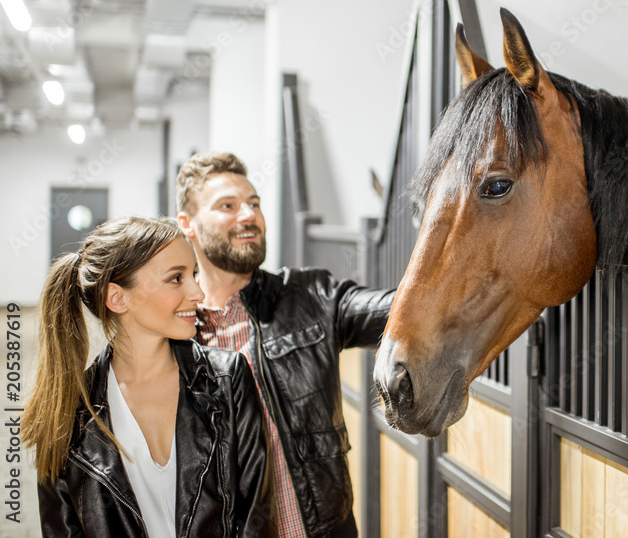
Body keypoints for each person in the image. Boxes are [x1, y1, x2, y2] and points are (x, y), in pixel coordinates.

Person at [175, 152, 394, 538]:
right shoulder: (175, 334)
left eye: (254, 204)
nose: (249, 216)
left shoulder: (310, 297)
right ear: (187, 225)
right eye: (227, 206)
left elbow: (398, 310)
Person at [24, 216, 273, 538]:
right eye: (176, 278)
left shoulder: (229, 377)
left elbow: (257, 515)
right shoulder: (67, 410)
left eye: (194, 274)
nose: (197, 291)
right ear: (117, 298)